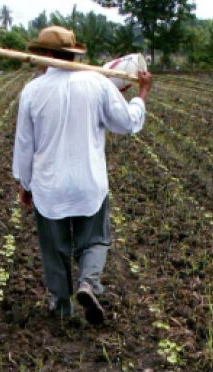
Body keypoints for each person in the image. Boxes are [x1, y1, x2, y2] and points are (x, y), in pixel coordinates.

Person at [12, 26, 152, 324]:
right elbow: (126, 123)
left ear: (48, 55)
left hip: (49, 185)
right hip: (89, 182)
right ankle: (88, 282)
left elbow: (25, 146)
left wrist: (25, 184)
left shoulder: (32, 91)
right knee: (96, 240)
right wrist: (141, 94)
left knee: (55, 249)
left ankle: (61, 305)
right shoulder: (98, 83)